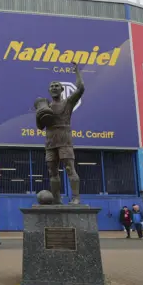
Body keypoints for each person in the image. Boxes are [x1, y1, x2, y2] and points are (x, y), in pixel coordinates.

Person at [34, 62, 85, 205]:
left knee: (69, 168)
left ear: (62, 89)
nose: (54, 88)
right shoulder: (45, 107)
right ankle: (57, 199)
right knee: (52, 172)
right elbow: (40, 127)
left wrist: (77, 72)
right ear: (49, 91)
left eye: (57, 85)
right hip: (50, 141)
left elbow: (81, 88)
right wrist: (39, 114)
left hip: (64, 139)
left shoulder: (68, 102)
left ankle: (76, 197)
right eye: (52, 86)